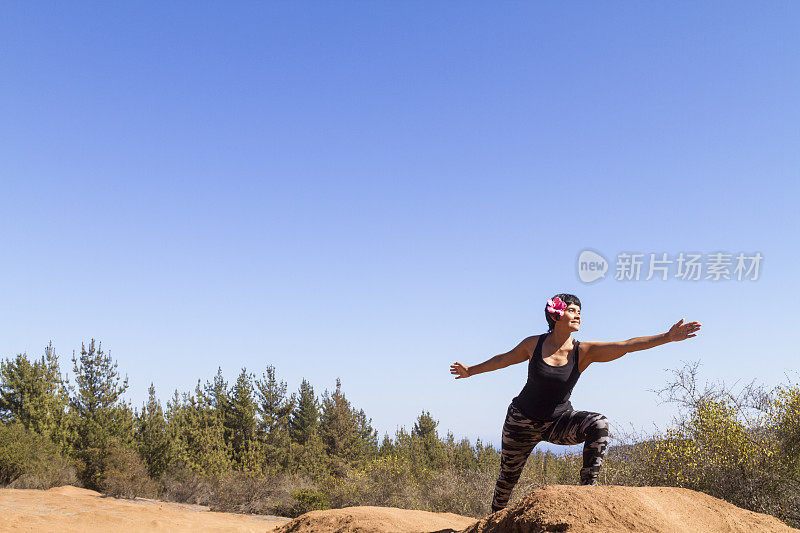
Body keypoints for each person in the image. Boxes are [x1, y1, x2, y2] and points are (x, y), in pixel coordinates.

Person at [449, 293, 702, 514]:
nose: (578, 315)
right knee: (507, 480)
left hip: (558, 423)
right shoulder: (533, 344)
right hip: (521, 422)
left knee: (599, 423)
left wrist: (667, 337)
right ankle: (492, 522)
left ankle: (587, 489)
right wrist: (471, 370)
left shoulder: (584, 351)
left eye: (580, 312)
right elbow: (503, 359)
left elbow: (626, 346)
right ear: (556, 315)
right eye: (572, 310)